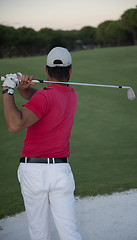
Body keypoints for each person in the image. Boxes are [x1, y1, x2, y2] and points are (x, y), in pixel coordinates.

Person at [2, 47, 82, 240]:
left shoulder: (45, 97)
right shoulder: (72, 95)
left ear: (46, 70)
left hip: (34, 173)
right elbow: (43, 99)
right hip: (61, 172)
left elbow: (15, 125)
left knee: (39, 234)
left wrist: (8, 90)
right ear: (70, 70)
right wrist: (24, 89)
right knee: (69, 232)